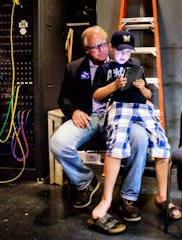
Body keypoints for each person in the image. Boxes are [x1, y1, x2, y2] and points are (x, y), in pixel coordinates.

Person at [50, 26, 154, 234]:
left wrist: (143, 98)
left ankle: (128, 196)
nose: (102, 50)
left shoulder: (127, 65)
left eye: (104, 44)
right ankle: (85, 181)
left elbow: (144, 95)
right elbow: (64, 98)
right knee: (58, 143)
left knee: (140, 138)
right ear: (87, 50)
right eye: (95, 47)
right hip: (89, 118)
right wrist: (74, 110)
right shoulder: (74, 68)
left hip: (119, 117)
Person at [90, 30, 182, 227]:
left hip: (141, 107)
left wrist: (141, 88)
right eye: (121, 50)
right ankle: (106, 200)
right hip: (119, 107)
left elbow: (148, 95)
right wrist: (114, 85)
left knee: (162, 143)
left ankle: (163, 197)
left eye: (128, 51)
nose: (124, 55)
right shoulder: (105, 69)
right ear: (112, 49)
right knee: (116, 145)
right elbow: (97, 95)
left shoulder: (137, 68)